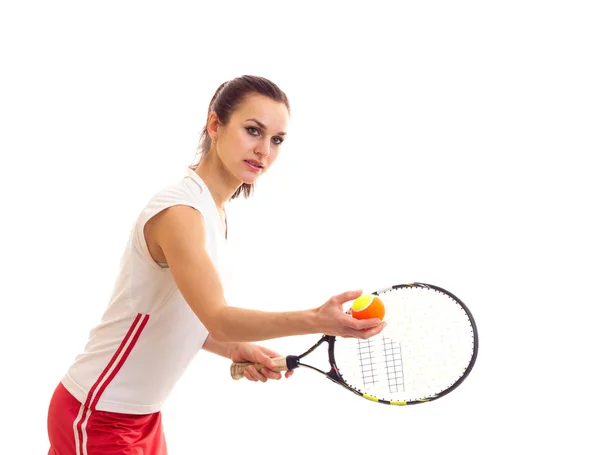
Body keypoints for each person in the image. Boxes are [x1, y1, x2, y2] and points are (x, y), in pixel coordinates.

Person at [46, 75, 386, 455]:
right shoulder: (180, 213)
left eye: (277, 140)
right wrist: (316, 319)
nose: (264, 151)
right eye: (253, 131)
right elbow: (218, 317)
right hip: (97, 414)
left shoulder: (214, 212)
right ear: (214, 125)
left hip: (142, 417)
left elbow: (180, 315)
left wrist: (235, 348)